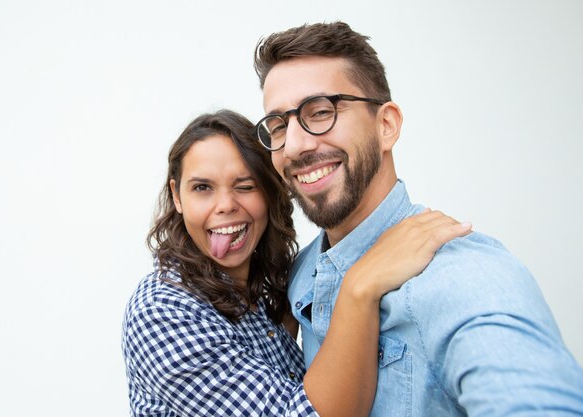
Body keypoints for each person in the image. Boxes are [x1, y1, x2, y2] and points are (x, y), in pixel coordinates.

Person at [252, 21, 583, 417]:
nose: (295, 145)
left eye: (321, 112)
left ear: (386, 125)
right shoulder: (304, 270)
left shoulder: (464, 277)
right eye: (278, 125)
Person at [121, 109, 471, 416]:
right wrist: (361, 284)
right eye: (202, 188)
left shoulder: (269, 287)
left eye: (245, 186)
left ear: (271, 194)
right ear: (176, 196)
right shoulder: (162, 310)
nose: (225, 205)